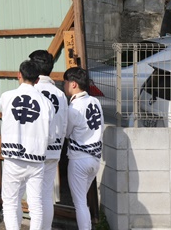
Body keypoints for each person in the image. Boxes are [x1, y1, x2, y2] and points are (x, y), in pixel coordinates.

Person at [0, 59, 55, 230]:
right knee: (36, 204)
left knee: (10, 202)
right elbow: (51, 137)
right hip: (36, 158)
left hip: (13, 157)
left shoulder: (6, 97)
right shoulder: (47, 103)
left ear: (19, 75)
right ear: (38, 80)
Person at [30, 50, 68, 230]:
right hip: (54, 149)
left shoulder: (32, 90)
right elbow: (65, 123)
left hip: (34, 150)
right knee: (46, 195)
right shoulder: (60, 94)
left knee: (33, 196)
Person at [64, 67, 104, 230]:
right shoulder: (95, 101)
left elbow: (66, 133)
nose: (64, 86)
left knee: (79, 202)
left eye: (66, 82)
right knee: (82, 201)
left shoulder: (74, 108)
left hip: (79, 159)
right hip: (95, 159)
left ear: (73, 84)